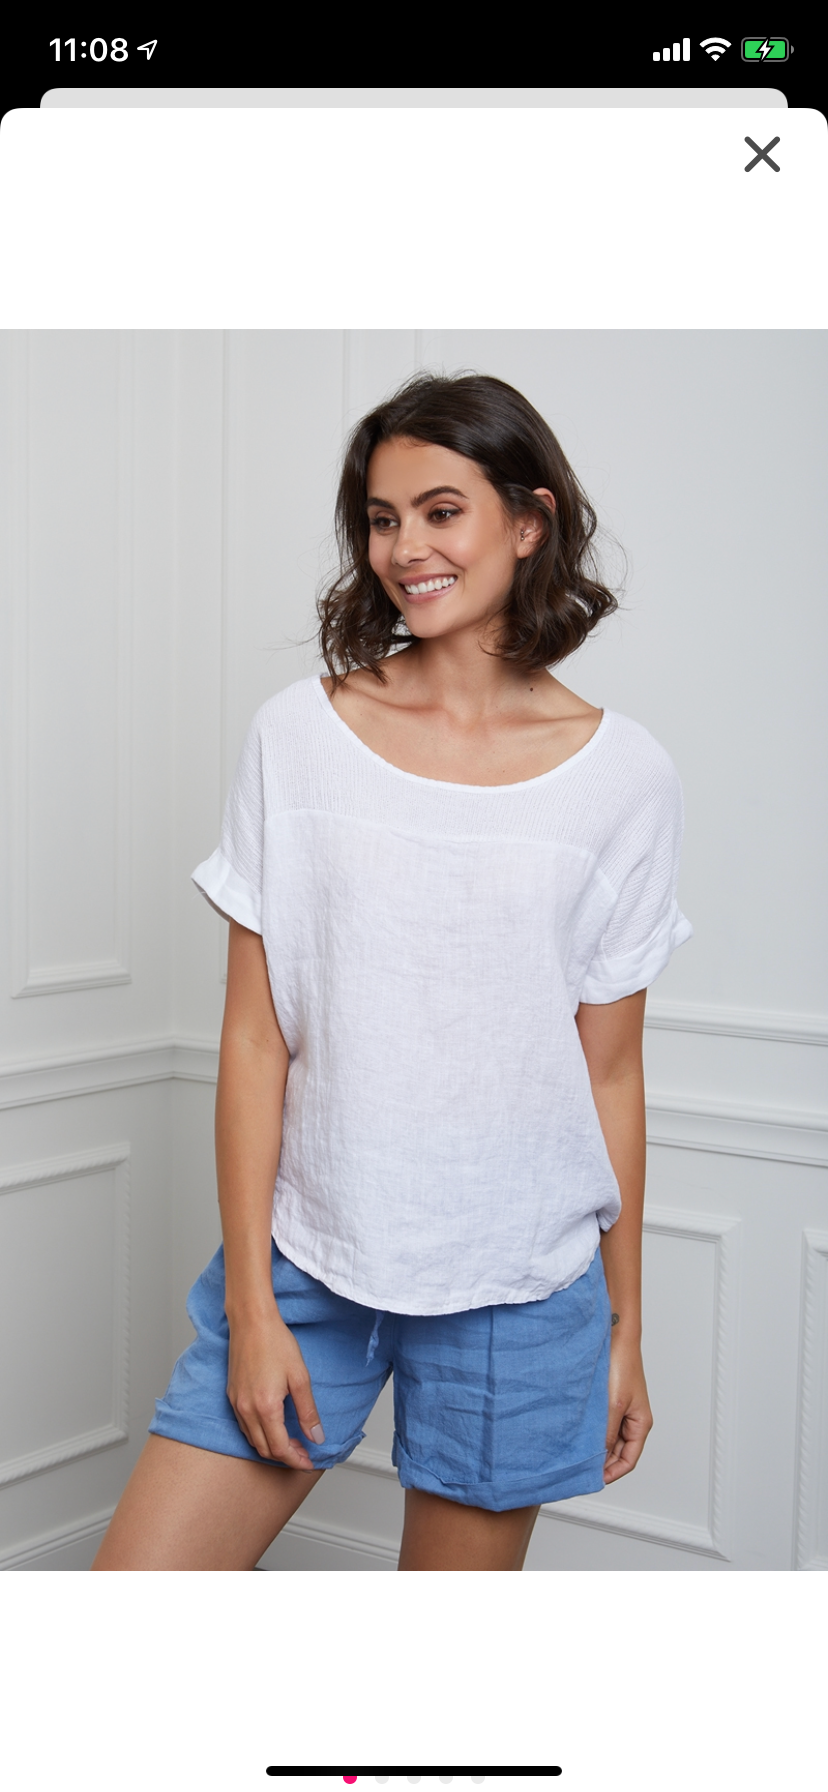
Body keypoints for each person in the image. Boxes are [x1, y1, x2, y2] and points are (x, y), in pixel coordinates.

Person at [93, 371, 691, 1573]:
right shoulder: (297, 738)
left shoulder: (625, 776)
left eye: (440, 511)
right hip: (312, 1254)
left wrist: (624, 1327)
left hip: (524, 1286)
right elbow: (256, 1038)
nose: (405, 547)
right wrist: (254, 1307)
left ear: (528, 522)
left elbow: (611, 1074)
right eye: (381, 518)